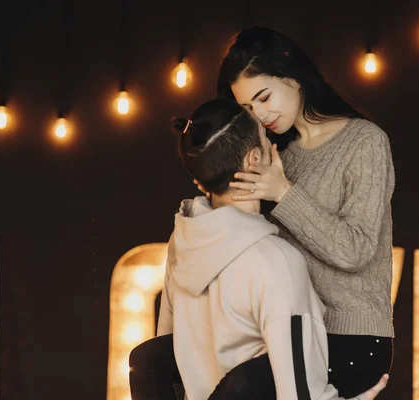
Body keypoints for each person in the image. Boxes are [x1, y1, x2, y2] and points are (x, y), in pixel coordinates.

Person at [190, 26, 394, 398]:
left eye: (264, 97)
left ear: (294, 78)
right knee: (157, 360)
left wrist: (283, 192)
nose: (261, 114)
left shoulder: (365, 141)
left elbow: (357, 250)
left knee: (240, 388)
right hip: (288, 333)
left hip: (350, 339)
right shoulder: (278, 155)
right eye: (248, 108)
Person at [150, 97, 389, 400]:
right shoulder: (276, 262)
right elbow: (301, 394)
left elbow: (163, 356)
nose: (276, 145)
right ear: (253, 160)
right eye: (266, 136)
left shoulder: (181, 242)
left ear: (200, 181)